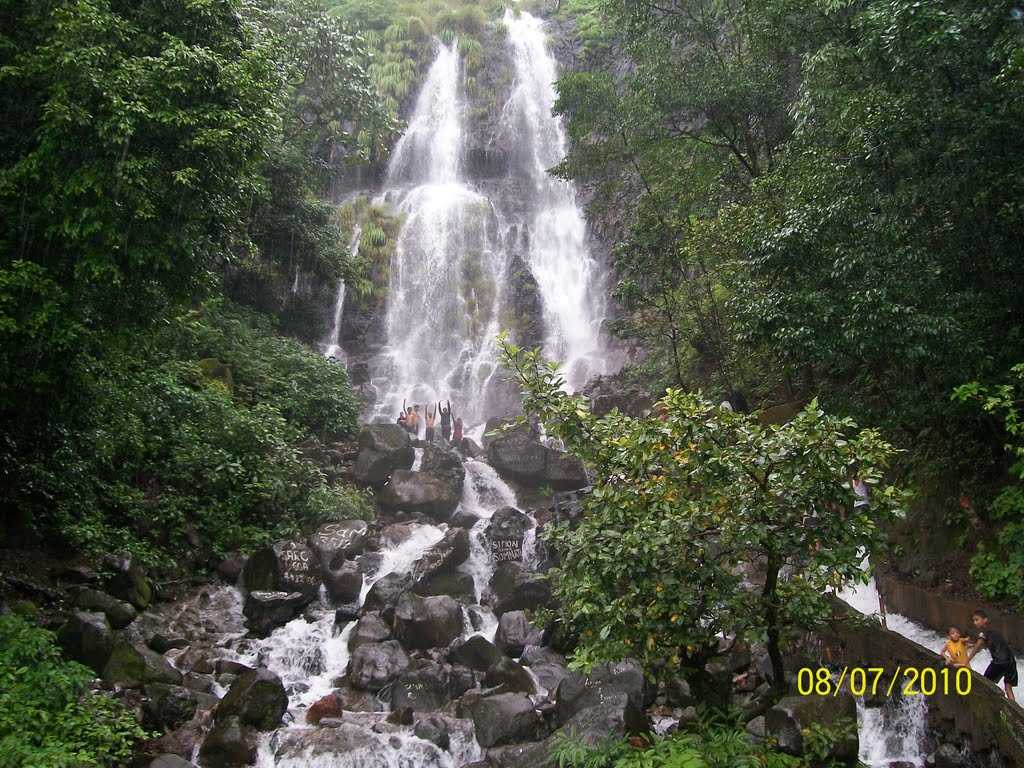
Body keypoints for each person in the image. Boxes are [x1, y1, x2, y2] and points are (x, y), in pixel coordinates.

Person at [967, 608, 1017, 701]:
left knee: (985, 683)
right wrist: (970, 646)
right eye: (973, 620)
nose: (975, 622)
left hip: (999, 661)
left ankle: (994, 700)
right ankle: (1015, 712)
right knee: (1008, 687)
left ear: (985, 620)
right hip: (1011, 661)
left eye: (977, 620)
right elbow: (988, 644)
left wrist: (966, 661)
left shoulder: (983, 632)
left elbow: (977, 647)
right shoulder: (994, 630)